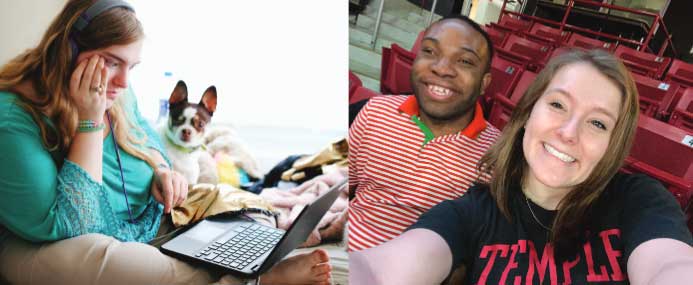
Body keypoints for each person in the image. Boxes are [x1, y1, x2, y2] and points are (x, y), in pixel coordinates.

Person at [0, 0, 331, 284]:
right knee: (114, 264)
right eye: (112, 62)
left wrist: (162, 170)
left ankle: (243, 264)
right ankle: (254, 277)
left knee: (238, 205)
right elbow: (74, 224)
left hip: (146, 218)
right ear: (68, 50)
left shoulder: (117, 88)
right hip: (59, 241)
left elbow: (146, 137)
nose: (124, 81)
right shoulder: (12, 117)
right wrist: (90, 119)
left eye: (131, 66)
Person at [349, 49, 693, 284]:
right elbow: (381, 271)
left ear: (611, 147)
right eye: (558, 105)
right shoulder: (474, 212)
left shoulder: (639, 201)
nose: (568, 133)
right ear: (528, 113)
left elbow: (671, 266)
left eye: (598, 124)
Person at [348, 15, 500, 251]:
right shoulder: (373, 111)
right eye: (429, 51)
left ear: (484, 82)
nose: (441, 69)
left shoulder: (497, 155)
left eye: (465, 61)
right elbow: (332, 191)